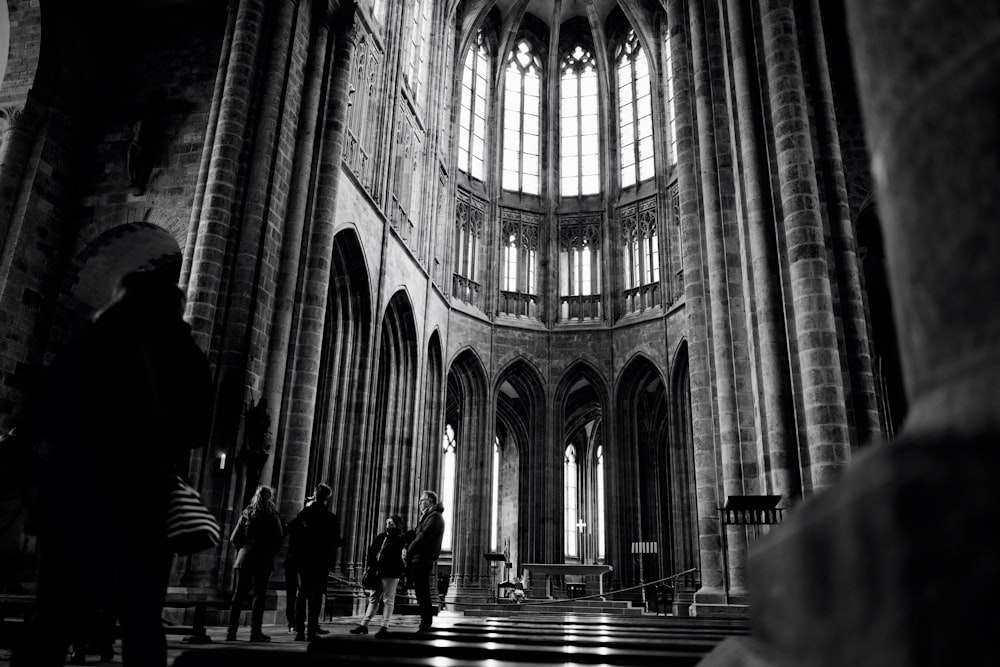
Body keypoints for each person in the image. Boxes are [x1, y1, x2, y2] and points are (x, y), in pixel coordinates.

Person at [11, 268, 213, 666]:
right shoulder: (185, 353)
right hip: (145, 494)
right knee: (141, 619)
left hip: (75, 489)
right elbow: (197, 428)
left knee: (53, 615)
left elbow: (36, 414)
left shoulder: (93, 341)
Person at [226, 485, 284, 642]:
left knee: (238, 595)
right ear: (269, 497)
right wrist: (270, 551)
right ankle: (255, 633)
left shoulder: (247, 512)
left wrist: (244, 549)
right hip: (263, 559)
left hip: (245, 558)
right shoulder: (272, 514)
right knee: (259, 596)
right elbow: (279, 537)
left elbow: (233, 538)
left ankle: (231, 632)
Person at [286, 482, 343, 641]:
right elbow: (336, 541)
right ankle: (311, 631)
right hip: (321, 561)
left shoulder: (305, 513)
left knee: (302, 593)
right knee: (316, 596)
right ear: (327, 498)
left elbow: (291, 529)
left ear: (315, 495)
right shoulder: (330, 518)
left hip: (304, 560)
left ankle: (299, 631)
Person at [350, 514, 408, 637]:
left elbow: (398, 555)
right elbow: (372, 552)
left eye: (391, 523)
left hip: (391, 573)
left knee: (388, 600)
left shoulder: (399, 539)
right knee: (373, 598)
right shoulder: (381, 537)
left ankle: (384, 626)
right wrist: (370, 567)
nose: (388, 525)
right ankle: (363, 625)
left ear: (397, 525)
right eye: (387, 522)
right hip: (376, 572)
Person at [404, 490, 445, 633]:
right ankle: (425, 621)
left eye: (423, 500)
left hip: (422, 558)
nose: (420, 502)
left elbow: (423, 537)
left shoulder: (434, 517)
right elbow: (417, 534)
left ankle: (426, 622)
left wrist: (409, 551)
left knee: (422, 591)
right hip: (419, 557)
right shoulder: (427, 516)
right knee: (420, 591)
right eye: (420, 500)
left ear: (431, 501)